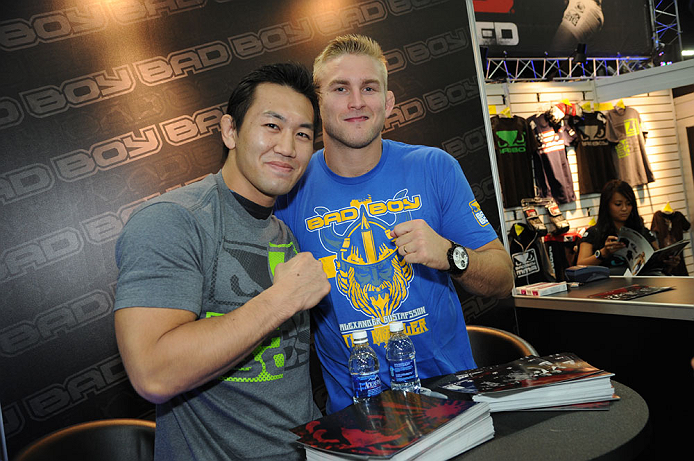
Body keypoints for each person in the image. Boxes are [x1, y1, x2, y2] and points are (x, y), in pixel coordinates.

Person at [275, 34, 514, 414]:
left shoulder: (434, 167)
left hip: (453, 401)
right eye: (340, 88)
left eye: (368, 88)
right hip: (357, 414)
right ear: (317, 103)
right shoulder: (289, 187)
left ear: (387, 102)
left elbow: (503, 277)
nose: (356, 102)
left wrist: (451, 256)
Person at [113, 63, 331, 461]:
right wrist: (282, 299)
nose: (288, 146)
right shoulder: (174, 220)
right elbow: (153, 371)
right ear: (230, 131)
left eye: (303, 134)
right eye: (272, 126)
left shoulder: (283, 233)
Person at [576, 179, 677, 274]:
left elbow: (656, 261)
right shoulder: (594, 233)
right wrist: (603, 253)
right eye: (618, 204)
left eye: (629, 204)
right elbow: (580, 265)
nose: (624, 209)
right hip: (608, 288)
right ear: (607, 205)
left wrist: (668, 262)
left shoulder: (642, 231)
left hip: (644, 284)